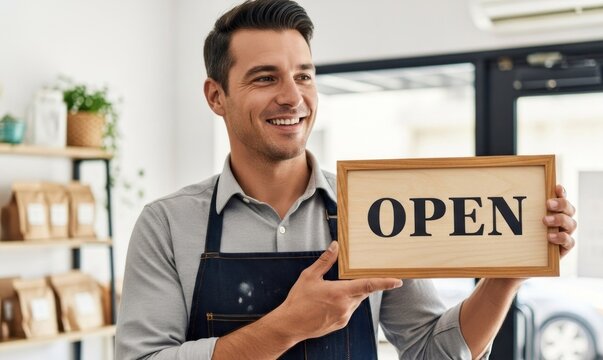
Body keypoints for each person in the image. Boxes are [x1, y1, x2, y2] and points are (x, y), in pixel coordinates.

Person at [115, 0, 577, 359]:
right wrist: (287, 325)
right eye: (265, 78)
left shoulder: (375, 209)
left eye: (304, 76)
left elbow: (431, 350)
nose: (293, 97)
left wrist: (505, 279)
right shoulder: (168, 226)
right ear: (216, 96)